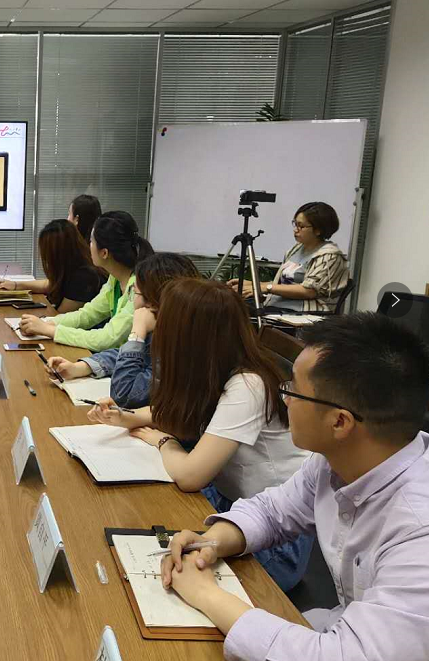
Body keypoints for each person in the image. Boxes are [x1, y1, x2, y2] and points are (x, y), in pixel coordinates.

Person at [158, 313, 429, 661]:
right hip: (342, 627)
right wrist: (212, 542)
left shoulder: (418, 530)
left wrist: (207, 595)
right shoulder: (336, 460)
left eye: (293, 390)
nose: (284, 399)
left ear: (340, 421)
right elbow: (273, 511)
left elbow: (346, 656)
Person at [90, 277, 312, 591]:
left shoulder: (248, 386)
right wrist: (126, 418)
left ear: (187, 338)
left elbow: (190, 476)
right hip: (231, 505)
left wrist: (164, 442)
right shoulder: (217, 368)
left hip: (274, 542)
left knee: (150, 559)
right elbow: (180, 411)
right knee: (132, 523)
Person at [44, 253, 199, 408]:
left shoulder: (178, 348)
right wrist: (82, 367)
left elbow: (123, 396)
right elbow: (126, 354)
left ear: (152, 303)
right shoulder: (166, 329)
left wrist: (137, 334)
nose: (133, 300)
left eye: (135, 293)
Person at [19, 211, 153, 352]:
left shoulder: (138, 288)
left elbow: (107, 339)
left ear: (104, 253)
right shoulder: (115, 279)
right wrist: (47, 322)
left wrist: (50, 330)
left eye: (91, 241)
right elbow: (88, 314)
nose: (89, 246)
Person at [230, 201, 349, 312]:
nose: (296, 230)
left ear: (318, 230)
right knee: (231, 304)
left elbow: (309, 291)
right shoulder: (296, 249)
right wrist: (255, 285)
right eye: (295, 224)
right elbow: (286, 285)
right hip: (279, 305)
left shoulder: (329, 256)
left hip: (305, 312)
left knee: (237, 312)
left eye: (301, 226)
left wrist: (267, 287)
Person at [0, 219, 106, 313]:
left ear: (56, 254)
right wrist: (15, 285)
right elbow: (50, 284)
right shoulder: (75, 267)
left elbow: (59, 317)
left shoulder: (84, 277)